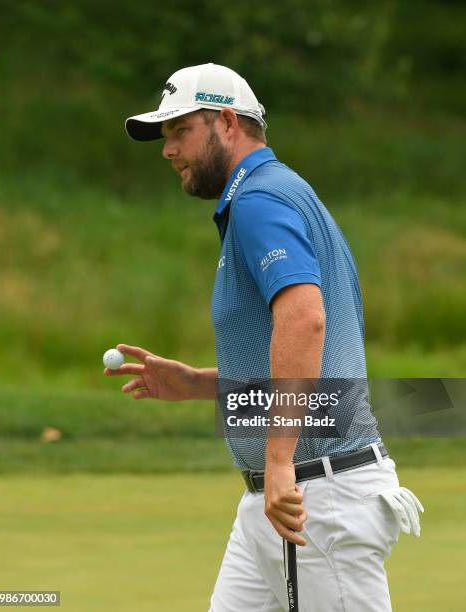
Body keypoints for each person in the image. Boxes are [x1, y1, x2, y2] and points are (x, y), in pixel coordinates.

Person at [105, 63, 424, 611]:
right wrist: (202, 384)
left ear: (226, 122)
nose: (168, 150)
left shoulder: (259, 201)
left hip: (309, 497)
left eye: (181, 131)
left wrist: (279, 462)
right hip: (277, 501)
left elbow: (304, 320)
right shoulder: (275, 192)